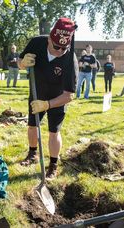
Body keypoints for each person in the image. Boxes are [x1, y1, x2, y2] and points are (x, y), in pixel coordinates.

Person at [18, 17, 78, 179]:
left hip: (58, 98)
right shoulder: (37, 42)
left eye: (63, 48)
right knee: (32, 126)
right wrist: (23, 63)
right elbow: (18, 61)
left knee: (54, 131)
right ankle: (32, 154)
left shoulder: (70, 60)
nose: (59, 51)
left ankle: (53, 165)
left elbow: (69, 95)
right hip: (37, 91)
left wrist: (47, 104)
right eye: (56, 46)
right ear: (49, 38)